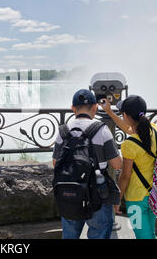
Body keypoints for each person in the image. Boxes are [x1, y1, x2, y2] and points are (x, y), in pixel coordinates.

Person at [52, 89, 123, 239]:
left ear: (73, 108)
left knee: (70, 235)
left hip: (69, 191)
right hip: (98, 192)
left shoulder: (63, 131)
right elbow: (117, 165)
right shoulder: (102, 130)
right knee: (100, 232)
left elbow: (55, 163)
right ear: (95, 107)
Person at [102, 95, 157, 239]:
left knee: (142, 236)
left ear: (126, 115)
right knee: (151, 233)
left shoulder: (129, 145)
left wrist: (118, 199)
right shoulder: (154, 130)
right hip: (154, 195)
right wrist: (110, 112)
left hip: (135, 200)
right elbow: (129, 128)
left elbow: (125, 176)